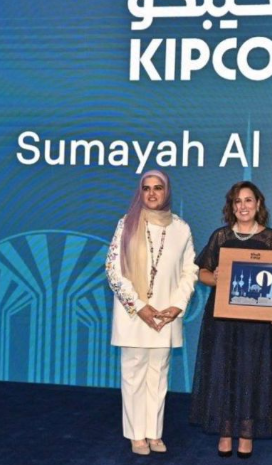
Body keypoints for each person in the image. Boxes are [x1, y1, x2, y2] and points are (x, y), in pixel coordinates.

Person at [190, 181, 272, 459]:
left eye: (248, 200)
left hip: (256, 323)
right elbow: (202, 273)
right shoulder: (220, 237)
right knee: (223, 370)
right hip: (222, 320)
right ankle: (225, 431)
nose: (243, 206)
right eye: (237, 201)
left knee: (251, 373)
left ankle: (247, 432)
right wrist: (216, 278)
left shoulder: (271, 238)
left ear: (258, 204)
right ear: (231, 206)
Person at [105, 170, 198, 455]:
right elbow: (113, 270)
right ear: (140, 192)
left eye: (158, 188)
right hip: (134, 315)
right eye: (146, 188)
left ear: (166, 191)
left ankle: (154, 433)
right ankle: (136, 435)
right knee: (133, 376)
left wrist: (177, 306)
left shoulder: (181, 228)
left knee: (158, 378)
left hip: (165, 316)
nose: (152, 193)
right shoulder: (127, 224)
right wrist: (139, 306)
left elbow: (190, 271)